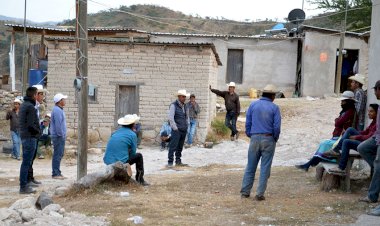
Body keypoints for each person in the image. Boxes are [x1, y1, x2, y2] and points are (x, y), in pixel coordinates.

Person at [295, 91, 357, 171]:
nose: (341, 103)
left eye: (343, 101)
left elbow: (338, 122)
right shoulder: (346, 111)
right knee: (323, 144)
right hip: (338, 137)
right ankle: (308, 164)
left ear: (348, 102)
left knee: (324, 144)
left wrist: (337, 120)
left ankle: (308, 164)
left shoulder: (349, 112)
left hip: (341, 138)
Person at [240, 84, 281, 201]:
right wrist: (274, 138)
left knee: (250, 166)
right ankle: (259, 194)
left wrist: (250, 134)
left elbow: (248, 123)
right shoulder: (274, 108)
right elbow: (276, 127)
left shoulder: (253, 105)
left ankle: (245, 192)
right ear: (272, 96)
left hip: (254, 138)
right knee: (265, 167)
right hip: (268, 138)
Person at [325, 104, 378, 174]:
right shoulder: (374, 121)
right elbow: (365, 132)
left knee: (346, 142)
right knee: (350, 130)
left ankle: (341, 167)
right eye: (368, 111)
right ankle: (337, 149)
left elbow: (369, 137)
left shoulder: (377, 123)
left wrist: (356, 137)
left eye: (371, 111)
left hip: (366, 146)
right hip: (365, 142)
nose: (368, 113)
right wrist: (354, 134)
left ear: (377, 113)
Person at [103, 114, 149, 186]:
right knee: (139, 156)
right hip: (119, 163)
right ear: (133, 125)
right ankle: (140, 180)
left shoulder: (115, 133)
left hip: (107, 161)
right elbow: (133, 152)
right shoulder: (132, 134)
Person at [357, 80, 380, 205]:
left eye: (375, 90)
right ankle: (376, 168)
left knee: (377, 167)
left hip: (378, 139)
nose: (375, 93)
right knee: (362, 148)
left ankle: (372, 196)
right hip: (376, 138)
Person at [18, 86, 41, 194]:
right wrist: (38, 132)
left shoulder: (24, 105)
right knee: (26, 163)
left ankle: (27, 182)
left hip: (25, 136)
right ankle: (23, 186)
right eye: (37, 94)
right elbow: (31, 125)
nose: (38, 96)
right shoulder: (30, 107)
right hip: (30, 137)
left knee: (27, 162)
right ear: (34, 95)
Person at [27, 84, 47, 186]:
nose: (43, 97)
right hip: (31, 135)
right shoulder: (32, 107)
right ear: (36, 95)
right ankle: (28, 179)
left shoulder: (38, 106)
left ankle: (30, 177)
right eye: (41, 94)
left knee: (32, 158)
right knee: (29, 158)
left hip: (35, 134)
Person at [167, 89, 190, 167]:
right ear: (179, 97)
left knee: (180, 147)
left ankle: (178, 161)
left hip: (183, 129)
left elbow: (187, 117)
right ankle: (170, 162)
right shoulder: (173, 105)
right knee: (173, 146)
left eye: (185, 97)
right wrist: (175, 128)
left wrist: (187, 125)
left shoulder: (185, 105)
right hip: (177, 130)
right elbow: (170, 118)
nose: (184, 98)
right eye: (183, 97)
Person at [50, 93, 68, 180]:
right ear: (60, 101)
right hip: (58, 136)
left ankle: (57, 172)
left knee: (59, 154)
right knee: (57, 154)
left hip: (59, 136)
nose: (65, 101)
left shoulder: (59, 109)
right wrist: (61, 135)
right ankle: (55, 173)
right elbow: (58, 125)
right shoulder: (57, 110)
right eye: (63, 99)